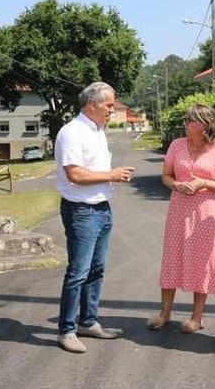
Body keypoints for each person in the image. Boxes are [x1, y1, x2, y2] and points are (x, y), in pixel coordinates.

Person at [55, 81, 136, 354]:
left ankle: (87, 321)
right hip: (81, 211)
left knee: (96, 270)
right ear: (92, 104)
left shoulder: (97, 131)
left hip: (101, 209)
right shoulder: (72, 132)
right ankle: (67, 330)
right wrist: (111, 175)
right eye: (109, 105)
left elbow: (93, 170)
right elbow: (75, 174)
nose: (113, 110)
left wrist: (111, 174)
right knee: (78, 272)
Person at [149, 104, 215, 333]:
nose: (186, 123)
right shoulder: (176, 146)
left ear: (205, 124)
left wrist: (204, 183)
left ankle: (196, 317)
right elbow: (166, 176)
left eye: (192, 120)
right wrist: (176, 184)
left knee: (201, 263)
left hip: (206, 213)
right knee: (172, 259)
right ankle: (164, 313)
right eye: (186, 120)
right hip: (179, 211)